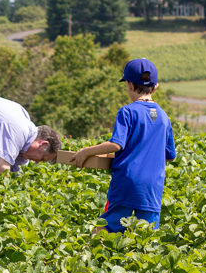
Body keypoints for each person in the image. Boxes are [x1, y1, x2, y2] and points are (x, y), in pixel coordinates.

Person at [70, 58, 176, 233]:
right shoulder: (164, 117)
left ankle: (93, 258)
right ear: (155, 87)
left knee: (103, 231)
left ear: (129, 85)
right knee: (146, 237)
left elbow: (116, 144)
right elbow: (169, 155)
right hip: (152, 189)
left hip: (127, 183)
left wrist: (86, 151)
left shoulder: (127, 111)